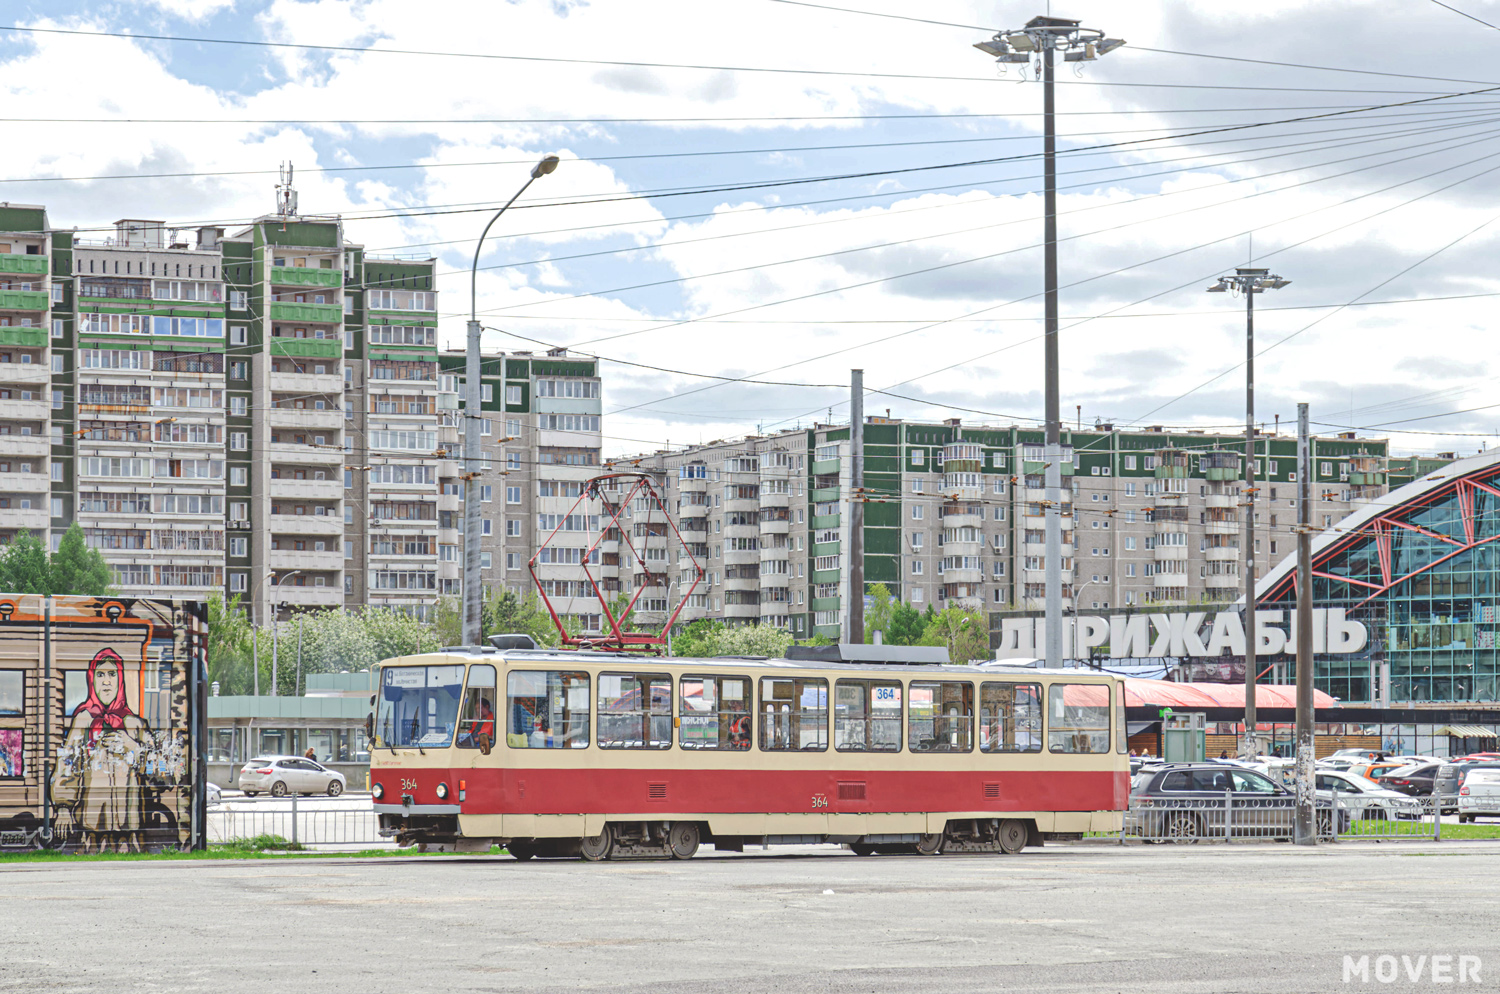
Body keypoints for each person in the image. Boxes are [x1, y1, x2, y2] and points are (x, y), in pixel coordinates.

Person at [53, 647, 157, 852]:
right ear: (92, 680)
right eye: (100, 674)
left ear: (120, 680)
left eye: (112, 674)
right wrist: (63, 807)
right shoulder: (83, 721)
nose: (106, 681)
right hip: (92, 830)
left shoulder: (135, 724)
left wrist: (132, 747)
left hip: (129, 831)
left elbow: (159, 770)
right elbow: (67, 765)